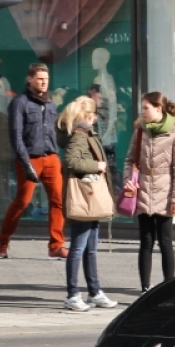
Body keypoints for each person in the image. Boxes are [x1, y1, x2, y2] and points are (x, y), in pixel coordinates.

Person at [0, 63, 66, 259]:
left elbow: (52, 131)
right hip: (30, 157)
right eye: (40, 79)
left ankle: (56, 245)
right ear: (30, 79)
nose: (44, 83)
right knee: (22, 201)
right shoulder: (20, 103)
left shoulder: (51, 104)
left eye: (46, 79)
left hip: (51, 157)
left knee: (57, 201)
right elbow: (15, 135)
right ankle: (3, 240)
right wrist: (25, 162)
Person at [123, 91, 175, 290]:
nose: (142, 112)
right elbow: (129, 160)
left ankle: (168, 287)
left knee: (165, 241)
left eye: (146, 108)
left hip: (165, 191)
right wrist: (128, 180)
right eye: (142, 108)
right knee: (145, 241)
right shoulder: (140, 132)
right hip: (142, 190)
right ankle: (145, 287)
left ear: (158, 108)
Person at [57, 97, 118, 312]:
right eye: (94, 116)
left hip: (89, 197)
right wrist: (97, 165)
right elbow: (72, 161)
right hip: (84, 197)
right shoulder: (79, 135)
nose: (95, 120)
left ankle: (94, 291)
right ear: (89, 116)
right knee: (79, 248)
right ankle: (73, 294)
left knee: (90, 249)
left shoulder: (83, 133)